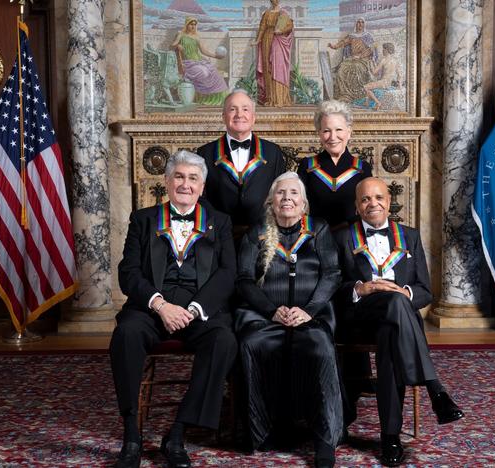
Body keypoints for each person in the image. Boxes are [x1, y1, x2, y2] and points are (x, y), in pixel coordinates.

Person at [110, 151, 237, 468]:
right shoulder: (143, 219)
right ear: (166, 181)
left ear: (202, 186)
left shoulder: (219, 222)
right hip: (152, 306)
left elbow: (227, 274)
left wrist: (194, 309)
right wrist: (160, 305)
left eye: (193, 178)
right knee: (126, 334)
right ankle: (131, 435)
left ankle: (178, 433)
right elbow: (129, 273)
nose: (185, 184)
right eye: (178, 176)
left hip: (199, 308)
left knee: (225, 341)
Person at [334, 177, 464, 467]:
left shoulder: (410, 236)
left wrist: (404, 294)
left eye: (378, 197)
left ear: (388, 202)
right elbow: (333, 287)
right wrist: (360, 288)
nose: (373, 204)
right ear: (357, 206)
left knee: (393, 327)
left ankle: (390, 437)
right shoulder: (342, 238)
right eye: (365, 199)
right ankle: (436, 390)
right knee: (396, 307)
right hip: (360, 317)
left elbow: (424, 290)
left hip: (395, 322)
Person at [235, 172, 343, 468]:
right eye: (281, 193)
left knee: (319, 348)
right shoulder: (255, 233)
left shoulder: (319, 230)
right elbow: (243, 279)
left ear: (304, 204)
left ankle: (325, 439)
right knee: (252, 345)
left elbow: (332, 274)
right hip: (264, 317)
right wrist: (271, 310)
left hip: (311, 316)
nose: (287, 199)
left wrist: (310, 310)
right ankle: (262, 431)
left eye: (294, 194)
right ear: (271, 202)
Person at [198, 89, 286, 237]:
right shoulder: (205, 154)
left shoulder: (273, 152)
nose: (239, 114)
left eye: (245, 109)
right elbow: (200, 199)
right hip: (219, 237)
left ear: (253, 117)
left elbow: (281, 194)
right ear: (224, 117)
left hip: (262, 237)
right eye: (233, 109)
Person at [297, 99, 372, 230]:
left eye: (339, 130)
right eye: (326, 131)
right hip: (316, 239)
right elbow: (298, 208)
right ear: (319, 133)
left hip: (352, 240)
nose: (333, 137)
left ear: (349, 132)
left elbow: (368, 209)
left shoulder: (362, 168)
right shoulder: (307, 166)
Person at [171, 17, 228, 106]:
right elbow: (171, 46)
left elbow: (203, 51)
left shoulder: (196, 37)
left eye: (194, 24)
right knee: (203, 72)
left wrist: (216, 56)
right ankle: (203, 98)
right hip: (188, 63)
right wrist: (177, 45)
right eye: (191, 24)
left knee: (213, 71)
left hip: (199, 61)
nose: (193, 26)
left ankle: (216, 99)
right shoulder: (181, 34)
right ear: (187, 24)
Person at [255, 0, 294, 107]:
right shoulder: (266, 13)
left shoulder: (283, 13)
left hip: (278, 41)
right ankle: (270, 98)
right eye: (273, 0)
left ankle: (280, 99)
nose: (275, 1)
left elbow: (289, 26)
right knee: (267, 67)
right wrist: (258, 40)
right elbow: (262, 28)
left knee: (277, 68)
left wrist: (280, 31)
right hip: (266, 40)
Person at [328, 18, 377, 102]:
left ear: (364, 24)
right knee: (341, 70)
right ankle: (345, 95)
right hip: (352, 58)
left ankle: (358, 95)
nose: (360, 24)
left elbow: (371, 50)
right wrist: (333, 46)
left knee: (357, 69)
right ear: (356, 24)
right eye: (358, 22)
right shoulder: (351, 36)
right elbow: (342, 43)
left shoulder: (368, 36)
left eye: (362, 22)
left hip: (364, 59)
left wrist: (360, 56)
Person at [362, 42, 401, 111]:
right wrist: (399, 86)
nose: (382, 51)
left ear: (387, 50)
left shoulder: (384, 60)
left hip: (383, 82)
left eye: (383, 49)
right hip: (389, 83)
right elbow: (399, 75)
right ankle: (367, 103)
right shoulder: (395, 61)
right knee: (370, 86)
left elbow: (374, 72)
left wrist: (371, 63)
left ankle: (378, 103)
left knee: (365, 87)